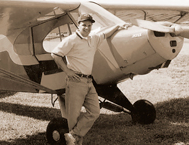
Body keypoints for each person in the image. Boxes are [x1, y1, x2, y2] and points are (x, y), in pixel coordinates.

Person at [51, 13, 130, 145]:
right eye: (84, 25)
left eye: (89, 25)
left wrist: (118, 26)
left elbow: (105, 34)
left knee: (94, 111)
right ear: (78, 25)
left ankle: (73, 136)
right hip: (75, 81)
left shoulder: (93, 39)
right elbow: (55, 54)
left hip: (88, 81)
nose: (87, 28)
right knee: (73, 117)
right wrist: (67, 71)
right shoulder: (71, 40)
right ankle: (75, 142)